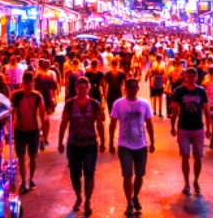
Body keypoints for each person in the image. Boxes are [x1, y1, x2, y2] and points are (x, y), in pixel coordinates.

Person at [58, 76, 106, 216]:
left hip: (90, 144)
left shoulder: (95, 104)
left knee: (89, 174)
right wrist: (60, 141)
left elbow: (100, 124)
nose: (82, 90)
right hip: (74, 144)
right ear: (75, 89)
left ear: (88, 89)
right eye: (79, 88)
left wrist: (103, 141)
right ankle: (79, 197)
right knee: (75, 175)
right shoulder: (69, 104)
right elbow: (63, 123)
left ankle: (88, 201)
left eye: (84, 88)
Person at [109, 78, 155, 216]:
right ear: (125, 88)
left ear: (138, 88)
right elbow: (112, 124)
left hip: (141, 144)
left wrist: (152, 141)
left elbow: (149, 124)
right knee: (127, 174)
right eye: (129, 87)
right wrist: (110, 142)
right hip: (124, 145)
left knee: (140, 175)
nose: (132, 89)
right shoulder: (118, 104)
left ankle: (135, 197)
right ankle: (129, 201)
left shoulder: (144, 104)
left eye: (134, 87)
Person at [169, 67, 208, 195]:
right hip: (183, 128)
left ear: (196, 77)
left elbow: (206, 110)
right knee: (185, 156)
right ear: (184, 76)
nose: (191, 78)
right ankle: (186, 183)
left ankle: (196, 180)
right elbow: (174, 111)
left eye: (193, 76)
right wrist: (172, 126)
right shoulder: (179, 91)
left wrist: (209, 128)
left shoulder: (201, 91)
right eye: (188, 75)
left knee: (198, 157)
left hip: (198, 128)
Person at [11, 71, 46, 193]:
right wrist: (9, 129)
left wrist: (43, 132)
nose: (28, 86)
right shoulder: (16, 96)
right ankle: (23, 181)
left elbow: (42, 113)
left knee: (33, 156)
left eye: (30, 83)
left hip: (33, 130)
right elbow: (12, 113)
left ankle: (30, 178)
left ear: (33, 84)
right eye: (26, 83)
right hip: (19, 130)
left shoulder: (37, 97)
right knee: (21, 157)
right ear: (22, 83)